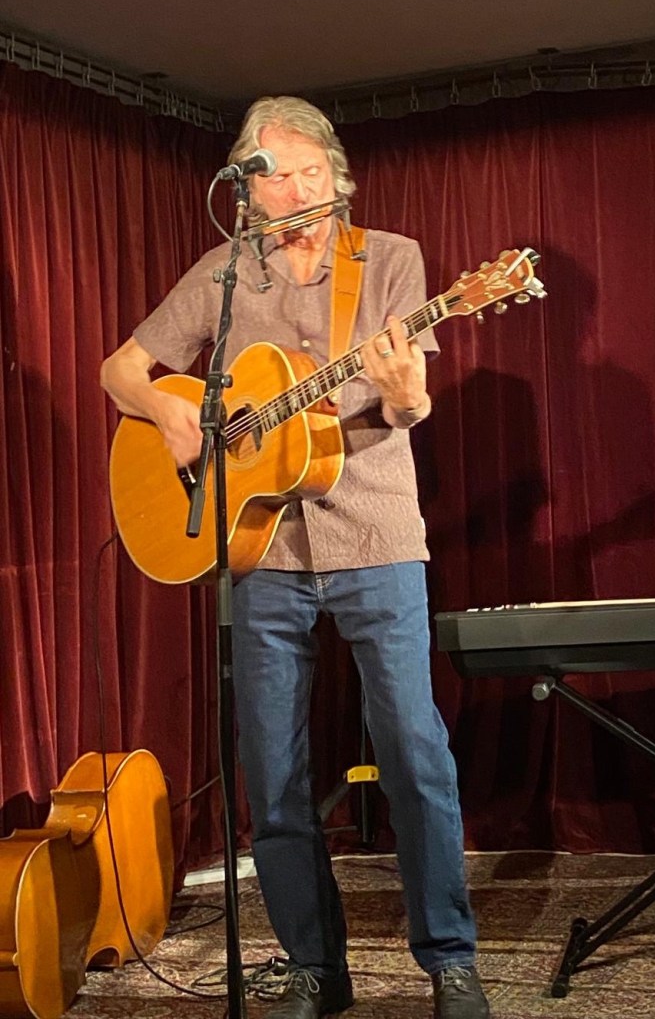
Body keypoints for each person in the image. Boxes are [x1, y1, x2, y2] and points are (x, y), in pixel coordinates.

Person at [100, 96, 490, 1019]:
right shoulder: (225, 272)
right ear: (247, 190)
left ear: (338, 179)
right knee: (271, 772)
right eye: (280, 176)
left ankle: (450, 960)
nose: (302, 189)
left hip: (377, 538)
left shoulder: (389, 260)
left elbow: (405, 407)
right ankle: (315, 966)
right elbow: (120, 370)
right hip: (259, 546)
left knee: (415, 754)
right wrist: (169, 413)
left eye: (315, 172)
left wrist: (405, 396)